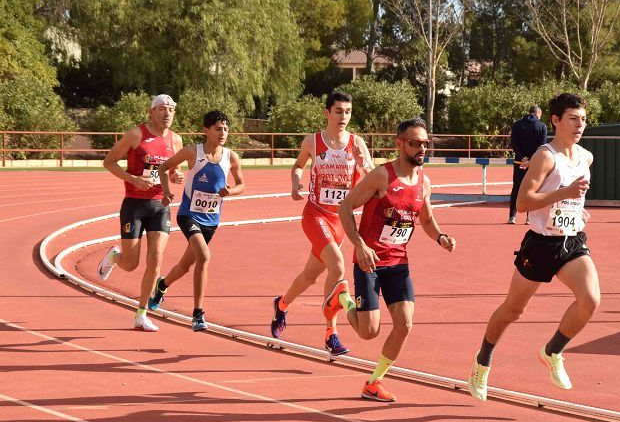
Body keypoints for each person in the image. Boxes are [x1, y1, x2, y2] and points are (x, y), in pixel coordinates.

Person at [468, 93, 598, 402]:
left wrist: (577, 209)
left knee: (590, 300)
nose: (580, 125)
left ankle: (552, 352)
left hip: (572, 241)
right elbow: (523, 202)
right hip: (541, 244)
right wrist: (564, 192)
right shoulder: (545, 156)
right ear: (555, 121)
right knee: (514, 309)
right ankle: (482, 361)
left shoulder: (586, 156)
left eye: (583, 119)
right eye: (573, 119)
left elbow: (573, 198)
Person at [325, 117, 456, 402]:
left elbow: (427, 219)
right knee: (368, 332)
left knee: (405, 324)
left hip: (398, 263)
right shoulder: (382, 176)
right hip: (369, 261)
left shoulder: (424, 182)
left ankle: (374, 382)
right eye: (414, 143)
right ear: (400, 144)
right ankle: (342, 299)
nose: (421, 148)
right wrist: (359, 245)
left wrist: (441, 237)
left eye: (424, 143)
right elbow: (345, 207)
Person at [269, 91, 373, 359]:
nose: (344, 117)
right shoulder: (313, 141)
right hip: (315, 214)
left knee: (310, 276)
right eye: (338, 111)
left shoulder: (357, 143)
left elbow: (372, 179)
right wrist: (295, 182)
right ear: (326, 112)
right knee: (337, 266)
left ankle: (281, 305)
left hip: (341, 219)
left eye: (348, 112)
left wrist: (365, 165)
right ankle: (331, 333)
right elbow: (297, 166)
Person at [148, 111, 246, 331]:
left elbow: (242, 185)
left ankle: (162, 285)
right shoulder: (193, 152)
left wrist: (231, 191)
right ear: (206, 130)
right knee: (204, 256)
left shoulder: (231, 157)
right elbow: (163, 168)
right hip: (188, 215)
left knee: (185, 266)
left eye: (226, 129)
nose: (223, 133)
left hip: (211, 220)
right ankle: (198, 314)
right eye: (218, 129)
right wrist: (166, 192)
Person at [97, 94, 184, 332]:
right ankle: (114, 257)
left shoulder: (176, 140)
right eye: (162, 109)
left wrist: (176, 177)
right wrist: (132, 178)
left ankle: (141, 313)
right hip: (134, 204)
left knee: (156, 258)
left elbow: (172, 171)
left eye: (171, 109)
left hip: (160, 205)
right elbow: (109, 162)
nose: (167, 113)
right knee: (131, 264)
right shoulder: (136, 134)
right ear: (151, 112)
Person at [508, 105, 547, 224]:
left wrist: (523, 157)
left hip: (519, 161)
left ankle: (512, 216)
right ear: (538, 114)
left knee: (516, 188)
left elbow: (514, 143)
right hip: (533, 163)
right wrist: (530, 158)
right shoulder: (541, 126)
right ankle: (529, 218)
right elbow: (541, 146)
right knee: (533, 190)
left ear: (529, 112)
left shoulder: (517, 124)